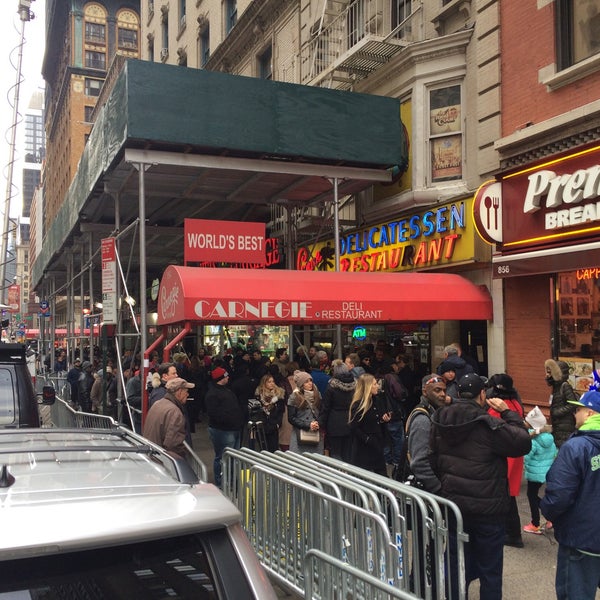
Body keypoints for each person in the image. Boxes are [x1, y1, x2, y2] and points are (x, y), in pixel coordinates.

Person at [430, 373, 531, 600]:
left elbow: (432, 459)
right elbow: (523, 442)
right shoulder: (488, 424)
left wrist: (445, 485)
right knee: (490, 569)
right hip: (488, 509)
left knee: (456, 563)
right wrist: (508, 412)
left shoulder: (441, 419)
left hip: (455, 506)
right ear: (482, 394)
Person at [540, 386, 600, 600]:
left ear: (591, 413)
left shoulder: (576, 447)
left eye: (579, 409)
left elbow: (559, 495)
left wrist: (547, 511)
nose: (575, 414)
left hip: (580, 539)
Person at [486, 373, 526, 548]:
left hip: (504, 455)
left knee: (504, 495)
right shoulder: (515, 403)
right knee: (510, 494)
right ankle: (513, 532)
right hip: (515, 453)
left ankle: (511, 533)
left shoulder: (496, 407)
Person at [204, 367, 245, 487]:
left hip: (232, 429)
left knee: (231, 457)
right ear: (221, 378)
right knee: (223, 457)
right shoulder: (213, 394)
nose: (228, 377)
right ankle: (222, 482)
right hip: (223, 430)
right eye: (226, 376)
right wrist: (231, 421)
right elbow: (214, 414)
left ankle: (230, 481)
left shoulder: (225, 390)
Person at [405, 374, 446, 493]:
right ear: (425, 391)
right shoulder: (422, 420)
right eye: (437, 390)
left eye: (444, 390)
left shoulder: (434, 413)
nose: (443, 394)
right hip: (426, 491)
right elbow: (419, 463)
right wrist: (439, 489)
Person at [348, 373, 391, 476]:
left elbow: (378, 419)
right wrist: (367, 439)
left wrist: (384, 419)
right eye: (375, 384)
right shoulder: (358, 405)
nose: (377, 386)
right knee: (363, 477)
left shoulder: (378, 400)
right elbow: (353, 427)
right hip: (363, 448)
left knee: (382, 476)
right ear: (368, 386)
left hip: (377, 445)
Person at [522, 405, 556, 535]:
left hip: (534, 474)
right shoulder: (549, 438)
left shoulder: (534, 441)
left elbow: (526, 456)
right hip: (545, 472)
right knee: (534, 495)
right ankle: (550, 518)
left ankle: (535, 524)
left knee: (532, 496)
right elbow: (554, 453)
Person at [143, 377, 195, 459]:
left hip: (151, 455)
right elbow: (173, 444)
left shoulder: (158, 403)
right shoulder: (175, 412)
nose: (187, 394)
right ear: (179, 391)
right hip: (161, 460)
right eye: (186, 391)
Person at [321, 359, 355, 462]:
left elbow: (326, 407)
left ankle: (337, 473)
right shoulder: (354, 385)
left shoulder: (331, 386)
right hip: (350, 421)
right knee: (347, 452)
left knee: (335, 452)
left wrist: (322, 423)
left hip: (334, 422)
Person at [287, 370, 324, 454]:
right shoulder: (294, 397)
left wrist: (317, 423)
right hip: (300, 435)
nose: (310, 383)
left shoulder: (318, 395)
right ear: (301, 384)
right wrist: (308, 425)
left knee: (315, 462)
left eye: (310, 380)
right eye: (306, 382)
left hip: (315, 434)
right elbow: (291, 418)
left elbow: (323, 412)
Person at [544, 358, 577, 448]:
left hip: (565, 425)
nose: (547, 375)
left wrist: (558, 412)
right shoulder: (556, 387)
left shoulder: (564, 386)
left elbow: (573, 404)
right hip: (558, 424)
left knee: (563, 447)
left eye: (549, 372)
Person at [251, 373, 285, 452]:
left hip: (273, 426)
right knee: (263, 449)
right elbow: (256, 411)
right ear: (264, 383)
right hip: (262, 426)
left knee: (273, 450)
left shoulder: (278, 396)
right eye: (269, 382)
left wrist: (277, 424)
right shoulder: (258, 396)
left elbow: (281, 411)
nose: (272, 383)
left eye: (273, 381)